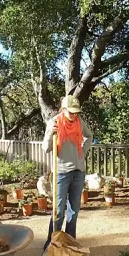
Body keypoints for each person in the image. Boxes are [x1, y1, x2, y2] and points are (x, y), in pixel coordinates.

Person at [42, 96, 92, 241]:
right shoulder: (54, 122)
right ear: (63, 109)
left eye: (77, 112)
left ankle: (70, 242)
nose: (74, 115)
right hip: (61, 172)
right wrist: (51, 133)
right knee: (58, 211)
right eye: (71, 112)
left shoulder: (79, 122)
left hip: (78, 171)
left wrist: (82, 151)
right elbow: (46, 148)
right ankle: (52, 244)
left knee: (74, 211)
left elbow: (89, 136)